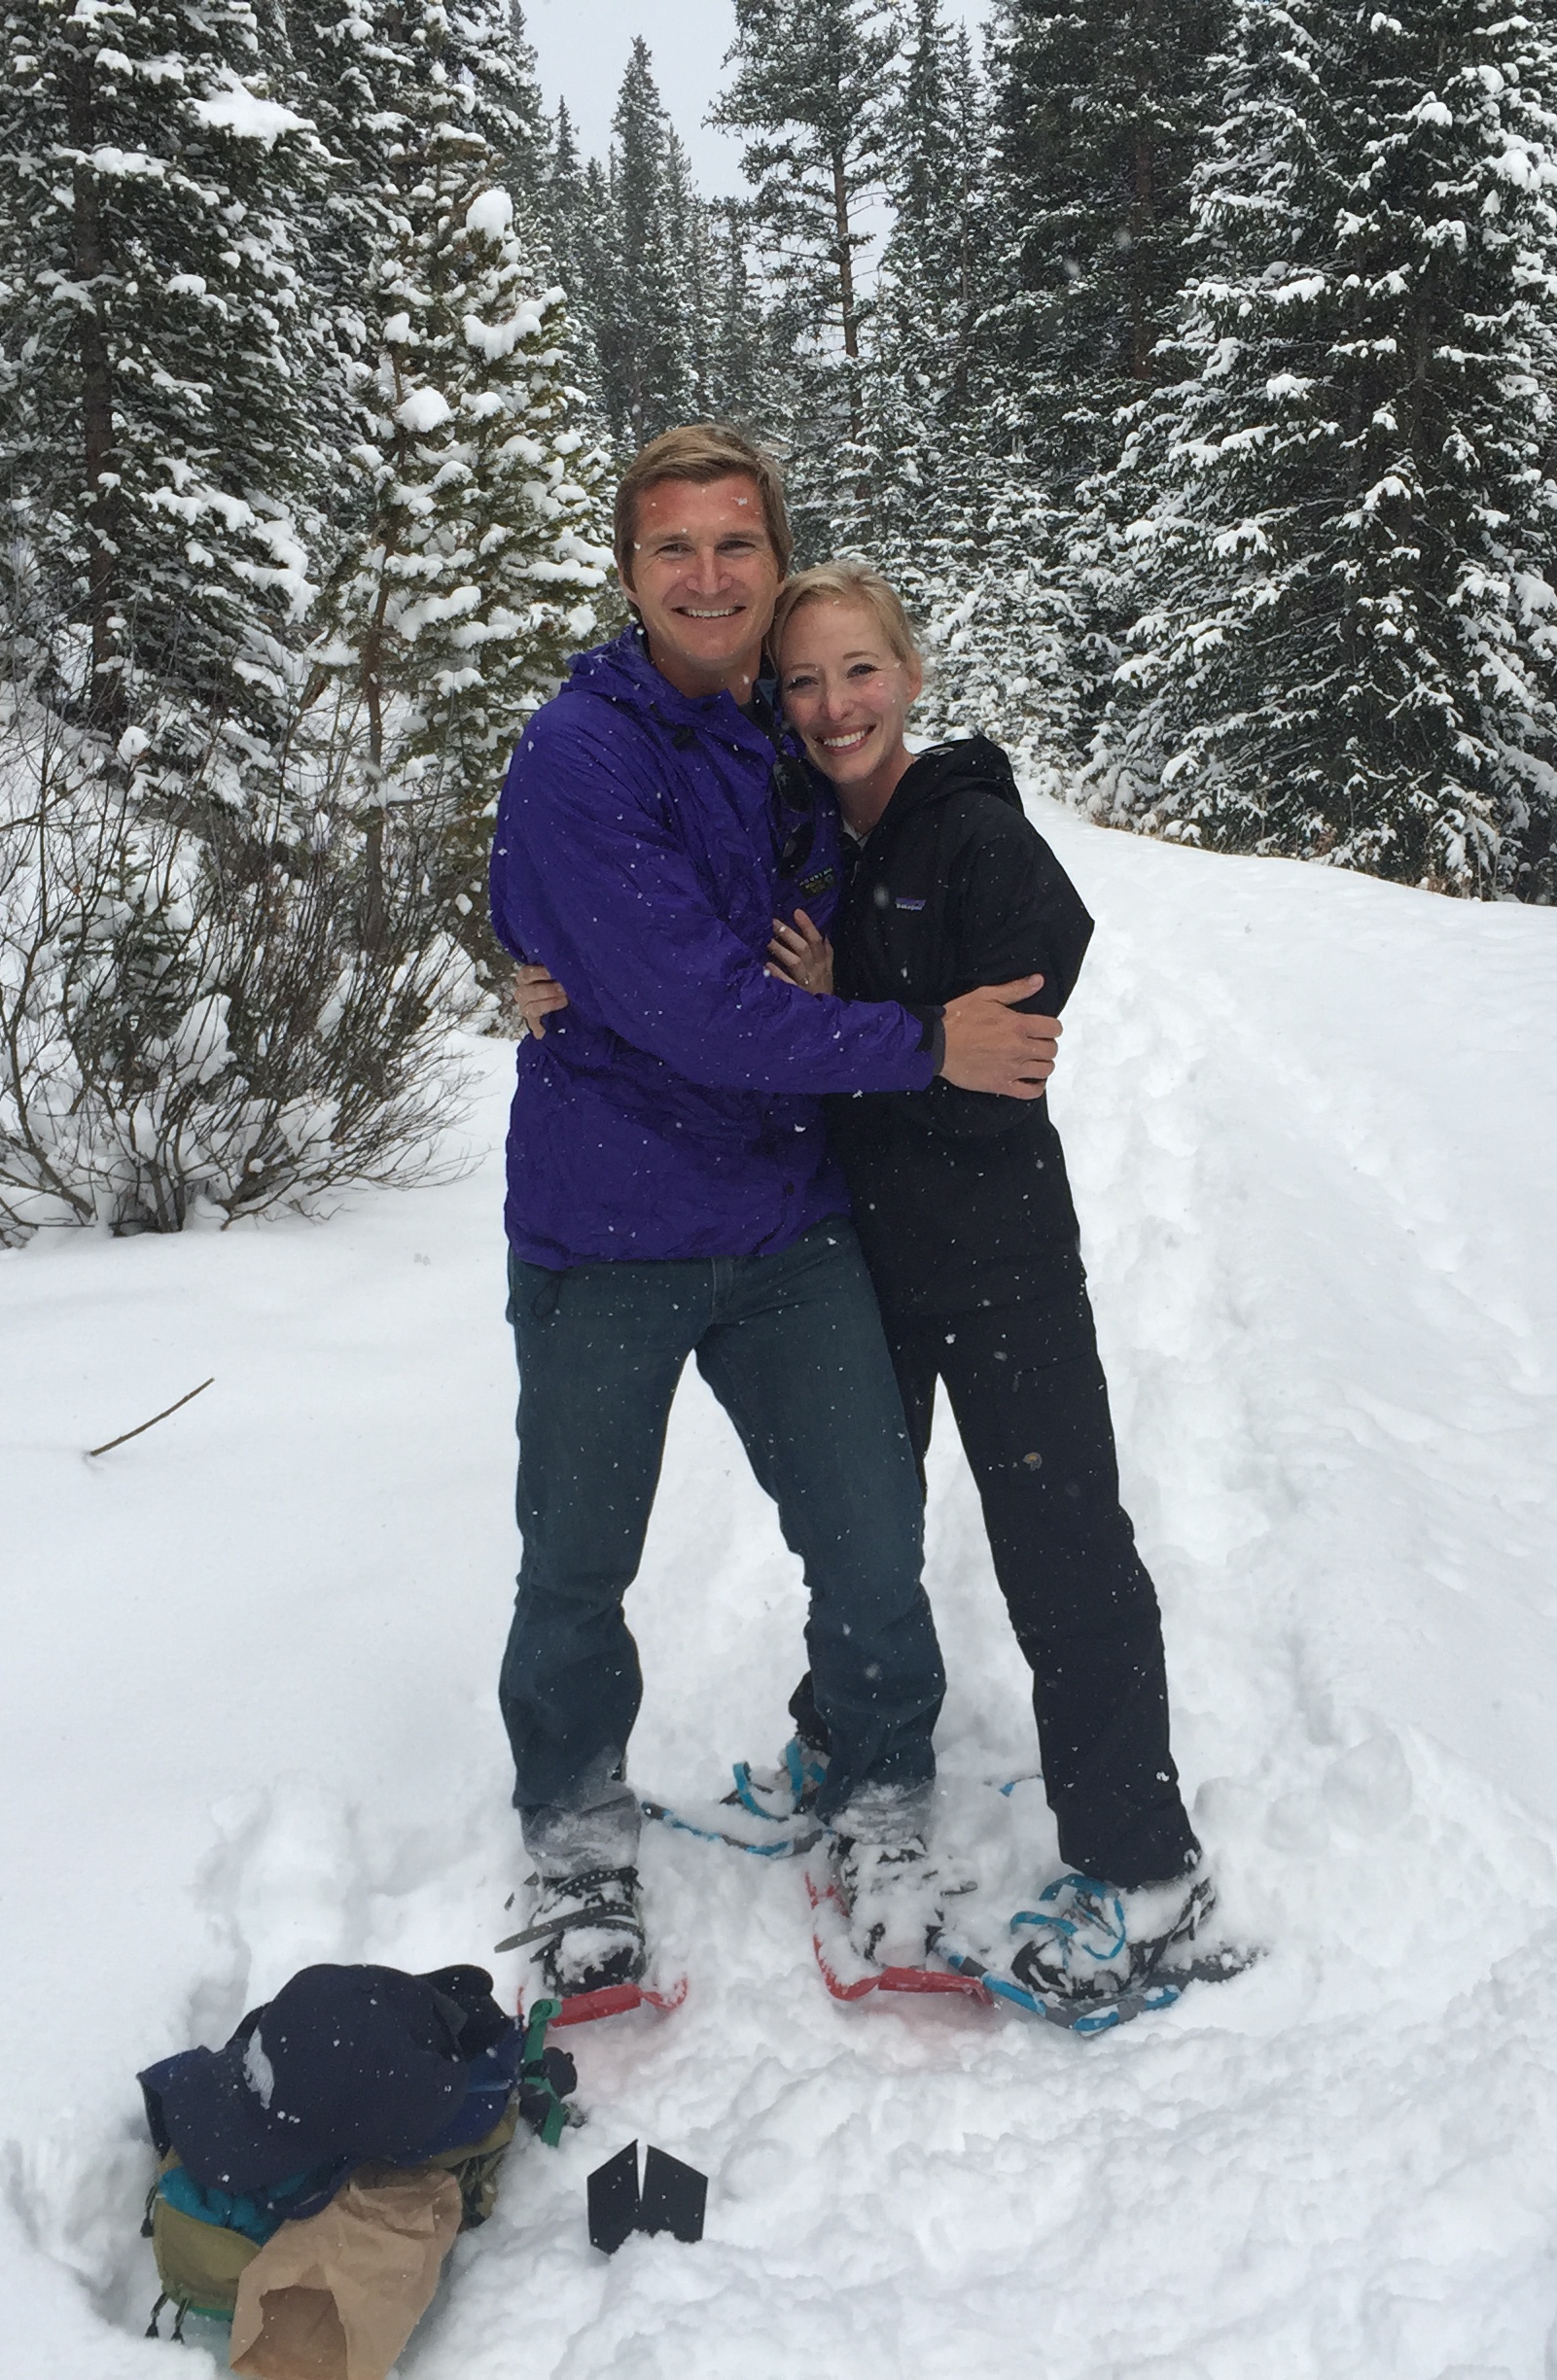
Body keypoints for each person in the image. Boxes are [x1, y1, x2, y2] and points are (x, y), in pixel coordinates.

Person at [518, 561, 1229, 2018]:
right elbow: (668, 944)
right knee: (867, 1535)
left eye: (860, 672)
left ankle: (1147, 1872)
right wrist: (544, 970)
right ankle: (842, 1747)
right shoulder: (794, 826)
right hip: (857, 1246)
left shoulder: (968, 835)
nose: (834, 705)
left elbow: (1008, 1045)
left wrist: (859, 1015)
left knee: (1061, 1543)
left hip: (995, 1256)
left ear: (909, 673)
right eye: (805, 681)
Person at [483, 428, 1064, 2001]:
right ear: (628, 572)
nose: (709, 575)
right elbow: (696, 1007)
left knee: (872, 1541)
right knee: (579, 1558)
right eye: (674, 548)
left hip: (787, 1215)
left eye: (737, 546)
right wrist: (919, 1042)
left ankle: (878, 1795)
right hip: (608, 1230)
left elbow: (860, 858)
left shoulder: (767, 732)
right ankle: (575, 1822)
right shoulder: (580, 751)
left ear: (773, 558)